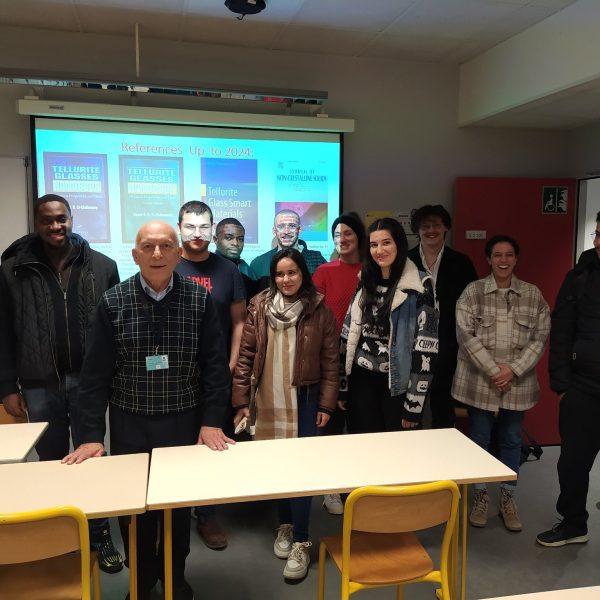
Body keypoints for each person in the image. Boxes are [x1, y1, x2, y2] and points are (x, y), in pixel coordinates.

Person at [63, 221, 233, 600]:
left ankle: (175, 580)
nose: (157, 254)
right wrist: (90, 436)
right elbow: (94, 377)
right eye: (148, 247)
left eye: (166, 246)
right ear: (135, 254)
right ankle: (140, 583)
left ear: (178, 253)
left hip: (182, 423)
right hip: (130, 424)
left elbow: (215, 367)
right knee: (135, 513)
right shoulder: (113, 302)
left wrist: (211, 422)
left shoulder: (199, 299)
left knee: (177, 509)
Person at [0, 193, 123, 573]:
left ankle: (99, 533)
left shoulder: (102, 266)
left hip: (89, 383)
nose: (56, 226)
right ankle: (62, 538)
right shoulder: (12, 270)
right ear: (36, 222)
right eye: (47, 220)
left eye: (61, 219)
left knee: (92, 456)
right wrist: (6, 386)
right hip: (38, 383)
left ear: (71, 219)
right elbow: (2, 332)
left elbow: (116, 329)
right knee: (52, 461)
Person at [232, 248, 338, 581]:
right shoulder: (259, 306)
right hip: (267, 398)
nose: (286, 279)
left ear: (303, 274)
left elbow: (331, 361)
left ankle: (302, 540)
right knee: (277, 466)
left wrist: (326, 404)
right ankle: (285, 525)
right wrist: (241, 400)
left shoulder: (319, 308)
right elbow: (246, 354)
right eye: (279, 274)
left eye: (292, 272)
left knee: (302, 470)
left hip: (304, 399)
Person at [452, 235, 550, 533]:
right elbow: (465, 336)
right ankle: (480, 495)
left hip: (517, 384)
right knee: (479, 439)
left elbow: (540, 337)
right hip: (480, 381)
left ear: (516, 259)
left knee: (510, 439)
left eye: (509, 255)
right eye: (497, 255)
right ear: (488, 259)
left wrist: (514, 370)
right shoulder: (473, 292)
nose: (503, 260)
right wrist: (495, 371)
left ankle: (508, 497)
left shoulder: (532, 295)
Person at [175, 201, 245, 550]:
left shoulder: (227, 271)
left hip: (216, 375)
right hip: (176, 376)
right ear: (179, 227)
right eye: (190, 226)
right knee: (177, 443)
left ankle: (207, 513)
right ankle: (173, 510)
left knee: (213, 441)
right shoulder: (168, 264)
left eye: (204, 227)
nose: (197, 233)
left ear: (212, 229)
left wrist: (230, 366)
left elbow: (239, 322)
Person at [340, 217, 439, 434]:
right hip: (361, 381)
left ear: (399, 245)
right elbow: (348, 334)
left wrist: (414, 404)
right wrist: (342, 386)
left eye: (386, 243)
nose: (379, 250)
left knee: (397, 450)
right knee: (362, 445)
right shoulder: (366, 279)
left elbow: (426, 348)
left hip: (397, 385)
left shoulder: (420, 286)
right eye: (374, 245)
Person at [537, 214, 600, 547]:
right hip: (583, 388)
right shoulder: (579, 277)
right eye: (598, 234)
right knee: (572, 464)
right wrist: (562, 385)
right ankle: (574, 524)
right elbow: (561, 331)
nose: (598, 242)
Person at [312, 213, 365, 515]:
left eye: (347, 234)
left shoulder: (371, 270)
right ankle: (330, 489)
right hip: (331, 357)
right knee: (330, 424)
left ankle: (355, 488)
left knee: (358, 426)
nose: (342, 240)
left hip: (363, 359)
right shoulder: (324, 271)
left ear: (358, 237)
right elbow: (315, 314)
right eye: (336, 235)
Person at [408, 204, 478, 428]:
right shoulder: (406, 261)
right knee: (410, 415)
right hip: (412, 349)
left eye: (436, 225)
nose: (431, 230)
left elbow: (473, 305)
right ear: (417, 230)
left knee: (444, 414)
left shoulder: (461, 262)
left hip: (449, 349)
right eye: (425, 226)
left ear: (446, 228)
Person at [250, 209, 326, 290]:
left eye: (292, 226)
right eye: (281, 226)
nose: (286, 231)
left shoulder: (317, 259)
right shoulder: (259, 263)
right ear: (274, 231)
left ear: (299, 230)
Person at [214, 217, 258, 299]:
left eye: (240, 239)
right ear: (215, 240)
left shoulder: (247, 270)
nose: (235, 243)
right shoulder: (207, 265)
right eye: (228, 238)